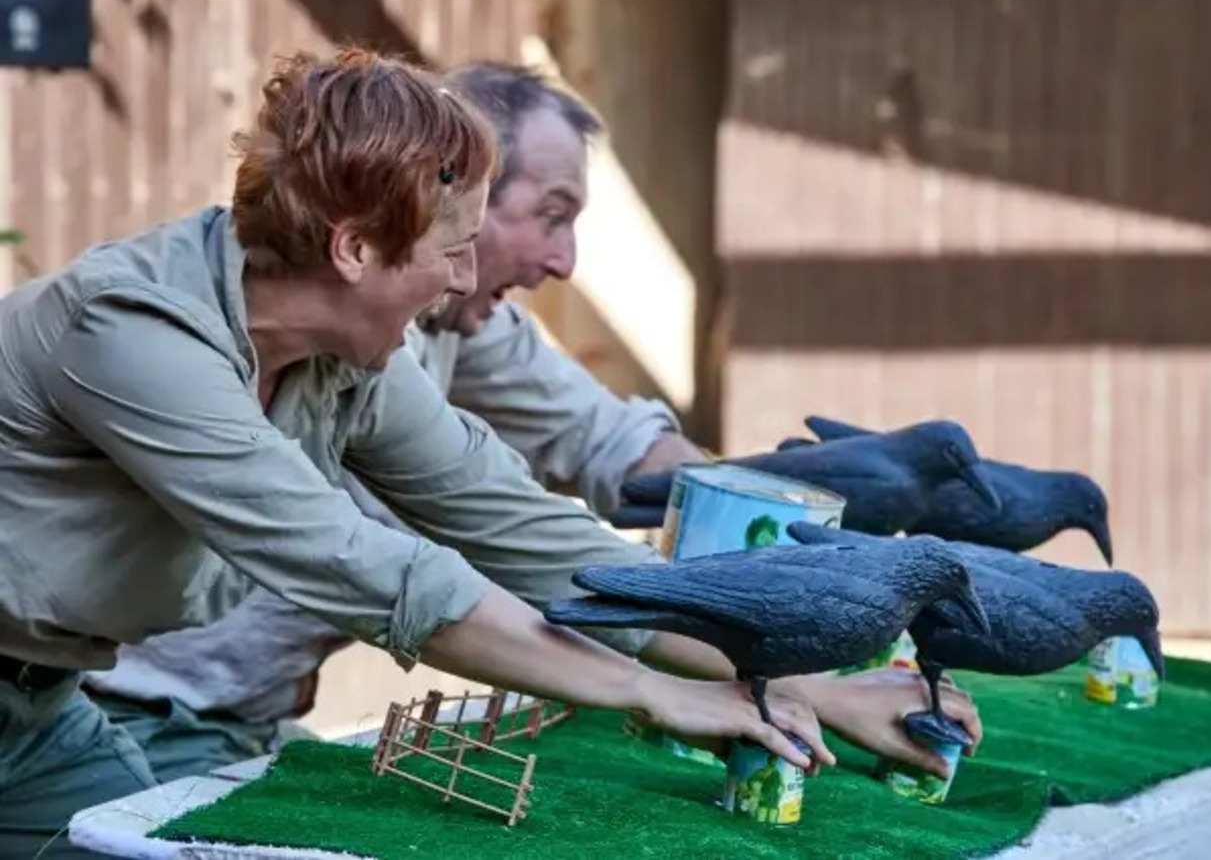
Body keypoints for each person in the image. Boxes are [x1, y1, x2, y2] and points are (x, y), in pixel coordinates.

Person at [0, 48, 831, 859]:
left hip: (39, 711)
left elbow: (517, 525)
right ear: (355, 248)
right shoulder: (130, 331)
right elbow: (375, 570)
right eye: (451, 248)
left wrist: (796, 681)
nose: (465, 280)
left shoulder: (338, 357)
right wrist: (653, 692)